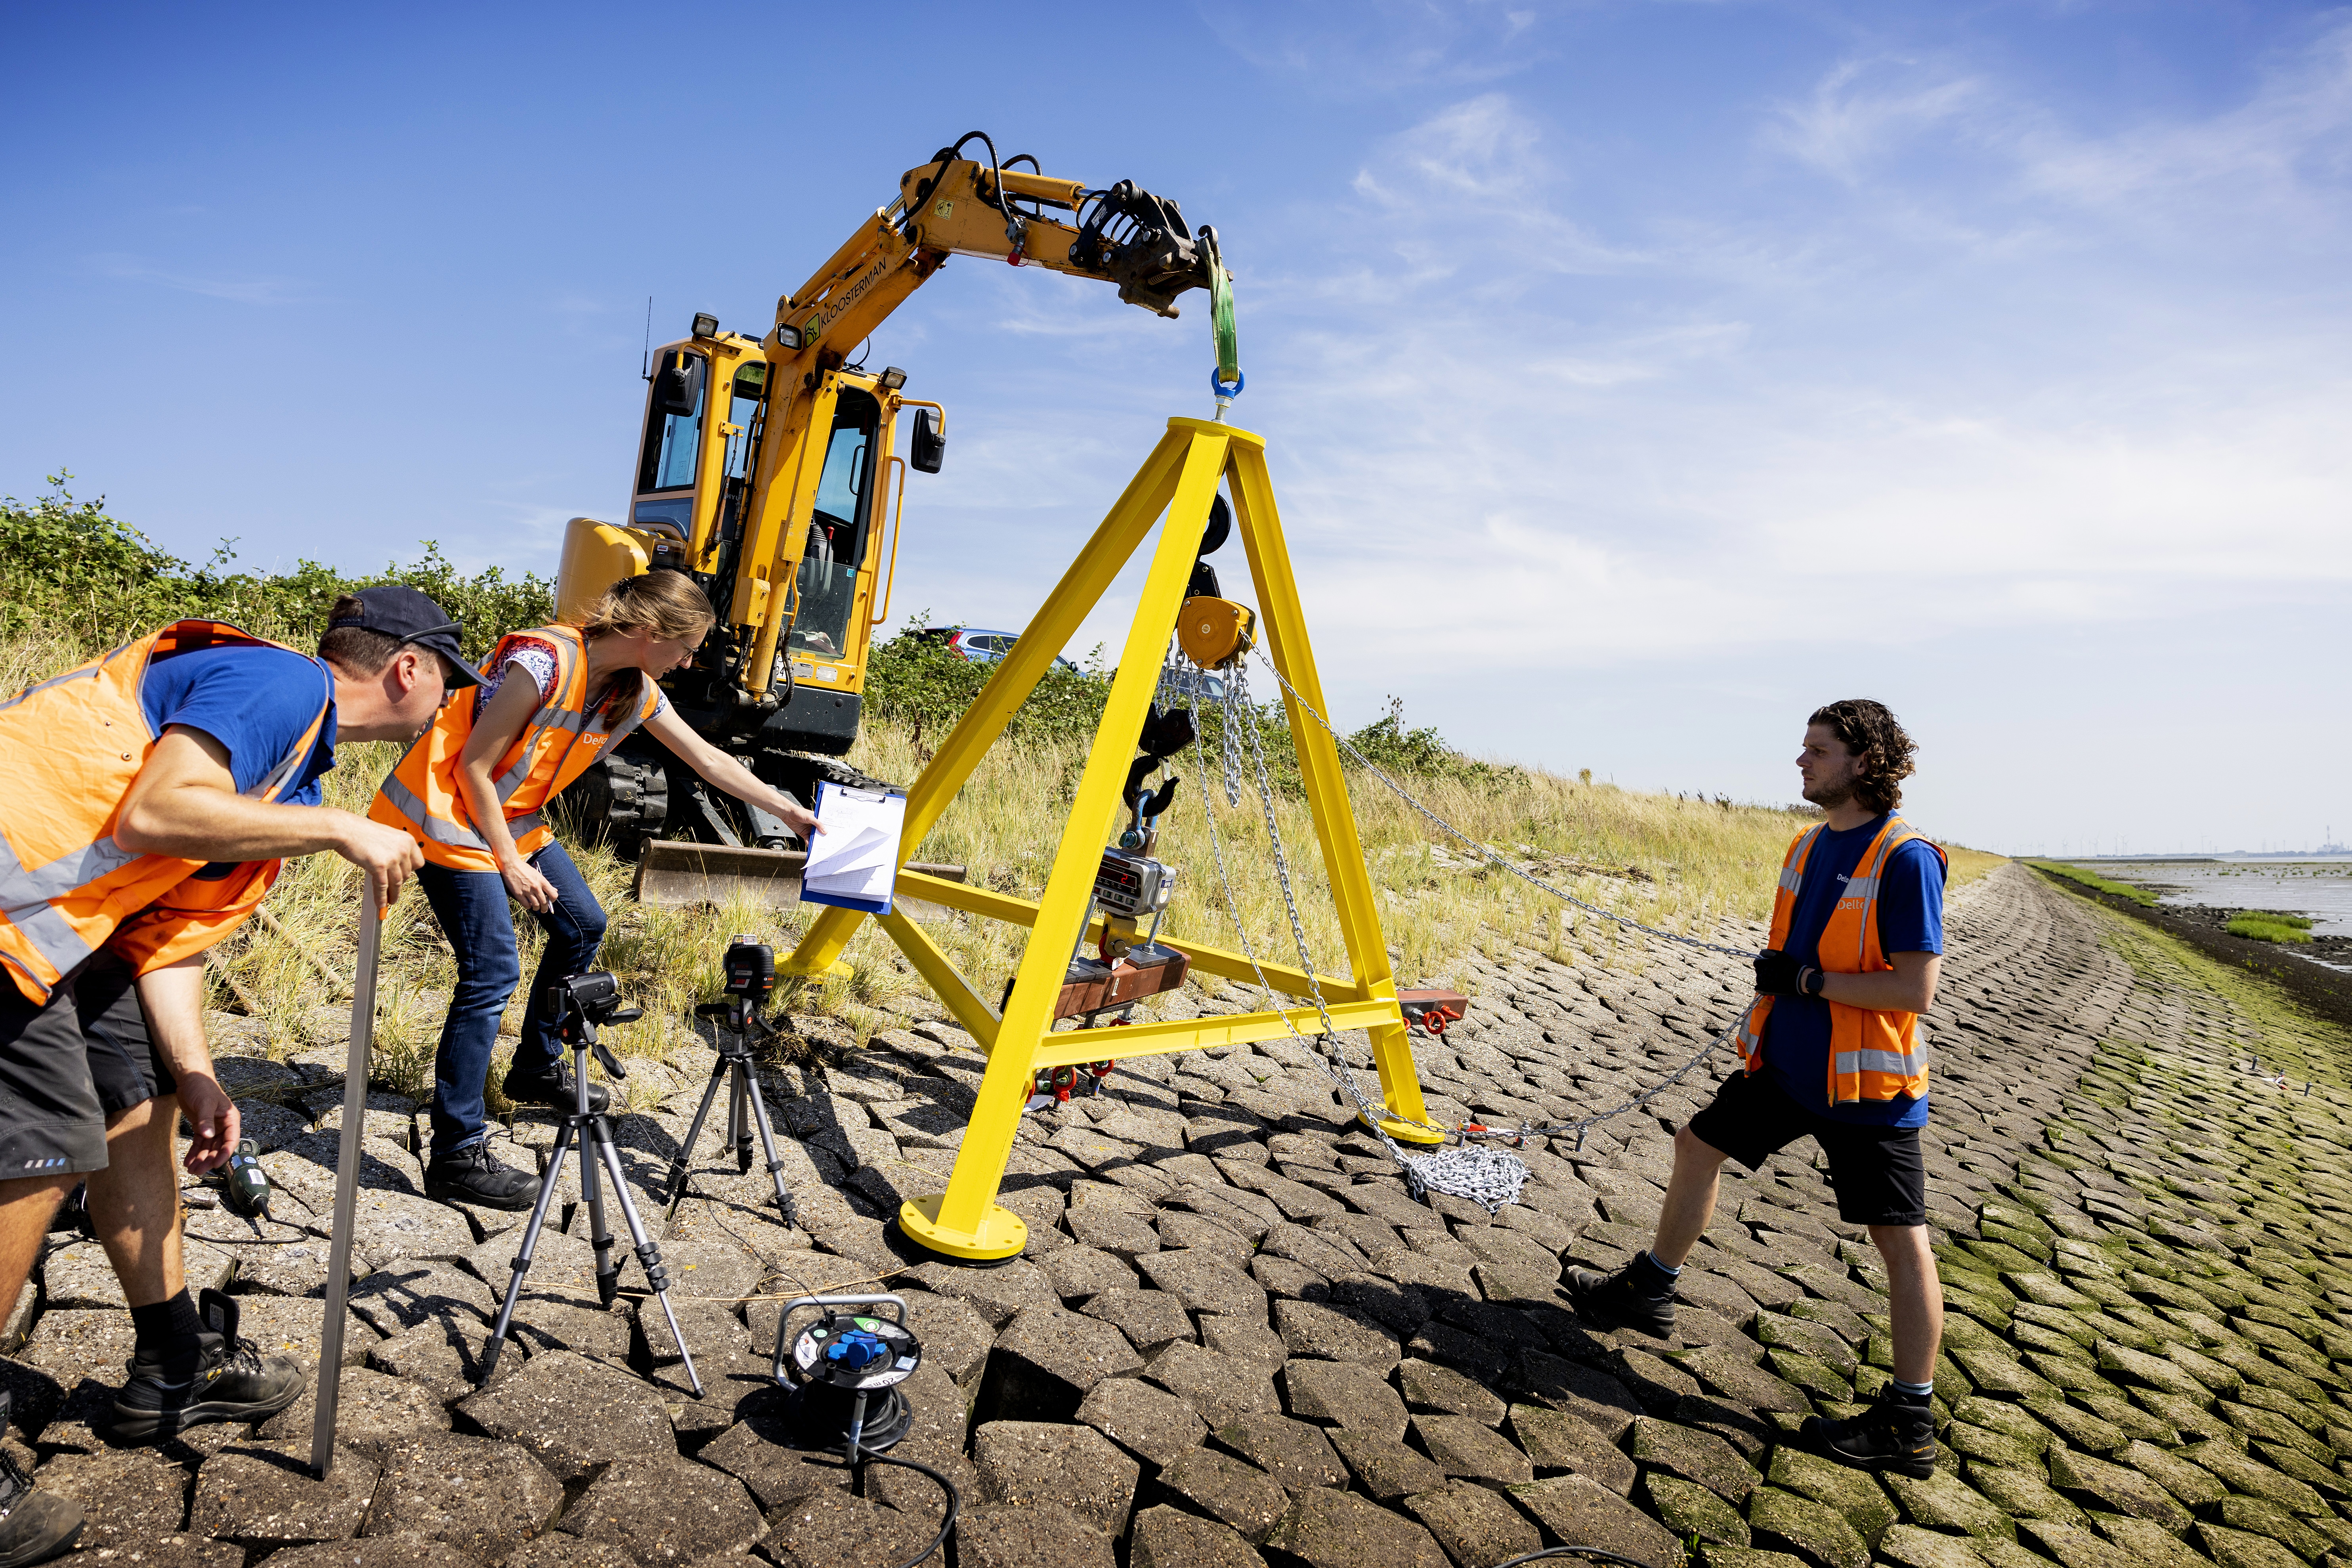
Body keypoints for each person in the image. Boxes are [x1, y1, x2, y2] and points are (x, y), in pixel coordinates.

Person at [0, 587, 463, 1565]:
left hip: (60, 942)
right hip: (9, 920)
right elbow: (159, 806)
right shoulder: (282, 683)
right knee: (42, 1149)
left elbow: (164, 948)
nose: (443, 707)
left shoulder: (279, 783)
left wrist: (201, 1074)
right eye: (446, 684)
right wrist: (343, 828)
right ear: (408, 668)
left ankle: (173, 1360)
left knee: (139, 1100)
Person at [1564, 699, 1949, 1478]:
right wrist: (1788, 989)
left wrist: (1804, 978)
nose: (1801, 761)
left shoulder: (1905, 857)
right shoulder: (1807, 846)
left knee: (1899, 1242)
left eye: (1817, 750)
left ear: (1864, 760)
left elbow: (1913, 990)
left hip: (1864, 1090)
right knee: (1696, 1144)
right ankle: (1652, 1287)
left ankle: (1910, 1420)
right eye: (1803, 748)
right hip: (1786, 1068)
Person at [371, 570, 820, 1211]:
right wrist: (509, 864)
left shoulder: (634, 689)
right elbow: (471, 766)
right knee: (492, 970)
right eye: (686, 647)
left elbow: (708, 760)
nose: (690, 661)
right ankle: (455, 1152)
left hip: (508, 815)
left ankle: (534, 1066)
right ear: (648, 631)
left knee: (582, 924)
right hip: (448, 814)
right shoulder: (542, 662)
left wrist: (787, 808)